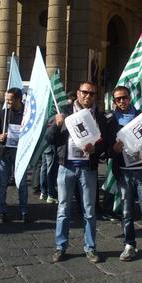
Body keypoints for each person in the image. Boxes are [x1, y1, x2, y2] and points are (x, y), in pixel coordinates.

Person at [47, 81, 106, 264]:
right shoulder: (63, 111)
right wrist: (56, 125)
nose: (87, 96)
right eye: (84, 92)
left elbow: (104, 142)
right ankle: (60, 246)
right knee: (63, 209)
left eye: (91, 93)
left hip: (88, 168)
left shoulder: (100, 116)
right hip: (66, 167)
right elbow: (49, 139)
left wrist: (95, 148)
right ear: (78, 93)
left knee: (89, 210)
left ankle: (90, 247)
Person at [108, 86, 142, 267]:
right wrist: (112, 149)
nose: (121, 101)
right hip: (124, 171)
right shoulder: (110, 120)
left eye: (124, 97)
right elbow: (105, 146)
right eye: (118, 99)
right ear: (114, 101)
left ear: (130, 97)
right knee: (126, 212)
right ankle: (129, 245)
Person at [0, 87, 29, 223]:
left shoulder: (27, 113)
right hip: (4, 152)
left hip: (21, 153)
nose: (7, 102)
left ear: (18, 99)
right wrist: (0, 137)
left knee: (21, 183)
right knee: (2, 183)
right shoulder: (4, 113)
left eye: (9, 100)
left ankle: (24, 211)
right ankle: (2, 210)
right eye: (6, 99)